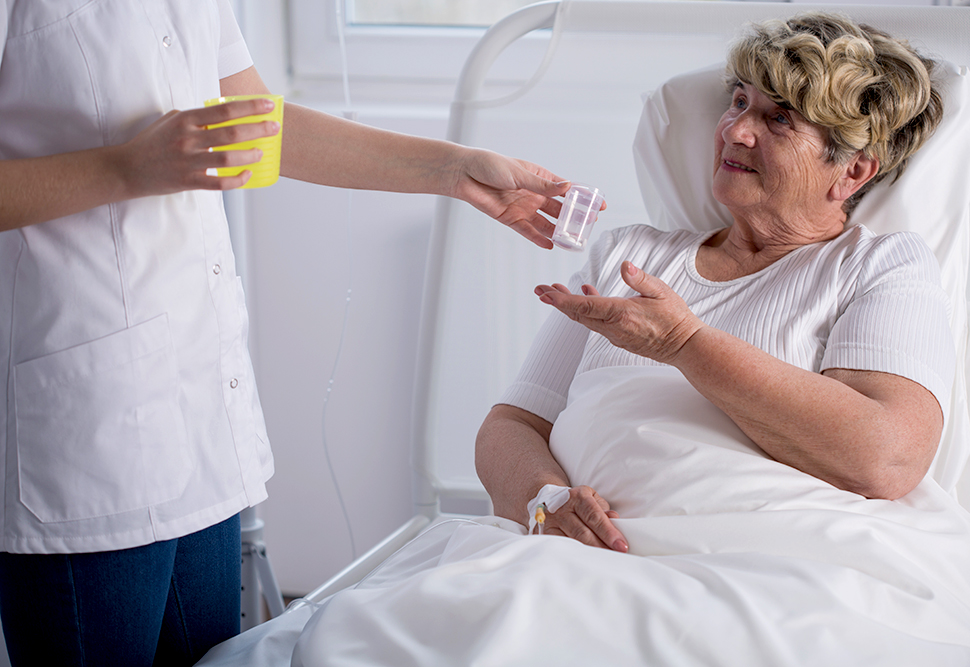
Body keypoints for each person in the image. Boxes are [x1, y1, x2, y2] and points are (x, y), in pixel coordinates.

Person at [0, 2, 571, 665]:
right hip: (86, 431)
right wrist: (128, 168)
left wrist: (456, 169)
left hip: (202, 414)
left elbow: (262, 127)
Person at [476, 12, 950, 554]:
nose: (735, 130)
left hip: (763, 560)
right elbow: (513, 424)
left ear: (852, 171)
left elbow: (886, 459)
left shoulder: (877, 265)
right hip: (579, 558)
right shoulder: (629, 255)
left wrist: (685, 344)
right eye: (739, 101)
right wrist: (544, 504)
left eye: (780, 119)